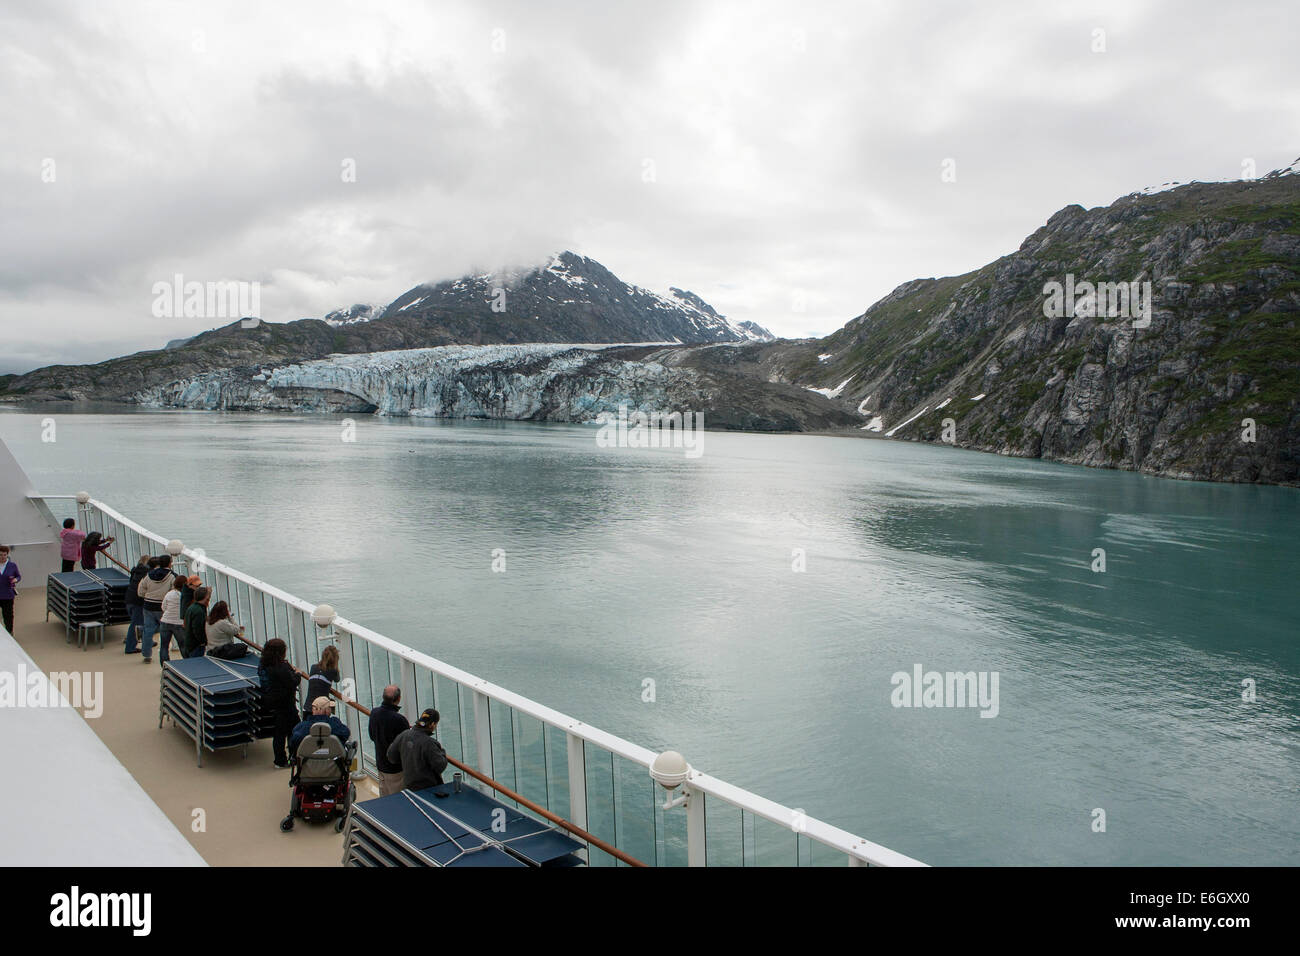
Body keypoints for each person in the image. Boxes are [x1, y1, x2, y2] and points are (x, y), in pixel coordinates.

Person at [259, 638, 300, 768]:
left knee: (279, 733)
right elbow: (292, 682)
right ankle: (292, 758)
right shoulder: (280, 668)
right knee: (295, 730)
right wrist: (298, 674)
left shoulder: (265, 664)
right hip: (286, 703)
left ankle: (280, 760)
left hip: (273, 702)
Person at [385, 708, 448, 792]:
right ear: (432, 724)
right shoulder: (429, 743)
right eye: (436, 724)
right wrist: (442, 752)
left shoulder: (404, 734)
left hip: (409, 785)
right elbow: (440, 766)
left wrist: (406, 757)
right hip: (428, 789)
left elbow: (391, 756)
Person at [368, 685, 409, 796]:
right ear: (398, 699)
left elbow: (372, 736)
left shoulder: (374, 713)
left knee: (384, 796)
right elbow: (406, 746)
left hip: (380, 762)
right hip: (395, 768)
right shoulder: (399, 720)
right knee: (398, 800)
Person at [136, 555, 176, 663]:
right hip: (162, 607)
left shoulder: (149, 575)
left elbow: (140, 590)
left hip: (148, 605)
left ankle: (146, 655)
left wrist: (147, 596)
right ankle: (165, 654)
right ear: (169, 563)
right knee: (165, 632)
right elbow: (174, 593)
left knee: (148, 630)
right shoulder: (172, 576)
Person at [301, 645, 341, 720]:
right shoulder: (333, 671)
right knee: (322, 731)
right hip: (321, 711)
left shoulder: (313, 667)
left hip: (307, 708)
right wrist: (336, 667)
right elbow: (337, 679)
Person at [123, 554, 149, 654]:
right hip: (138, 602)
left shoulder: (135, 571)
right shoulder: (147, 574)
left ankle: (141, 640)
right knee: (136, 624)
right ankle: (130, 647)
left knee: (135, 623)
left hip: (129, 599)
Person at [158, 575, 186, 662]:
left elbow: (163, 607)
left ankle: (164, 666)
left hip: (165, 621)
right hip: (179, 623)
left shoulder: (169, 594)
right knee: (183, 645)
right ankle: (188, 663)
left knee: (164, 646)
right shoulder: (184, 596)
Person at [182, 586, 211, 658]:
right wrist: (203, 642)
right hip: (196, 646)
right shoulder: (199, 611)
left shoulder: (191, 607)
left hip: (189, 643)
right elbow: (197, 629)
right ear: (205, 598)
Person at [0, 546, 21, 635]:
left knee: (8, 615)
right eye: (0, 555)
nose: (2, 557)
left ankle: (9, 632)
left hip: (7, 595)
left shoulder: (12, 565)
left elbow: (18, 576)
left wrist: (16, 580)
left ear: (7, 555)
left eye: (4, 555)